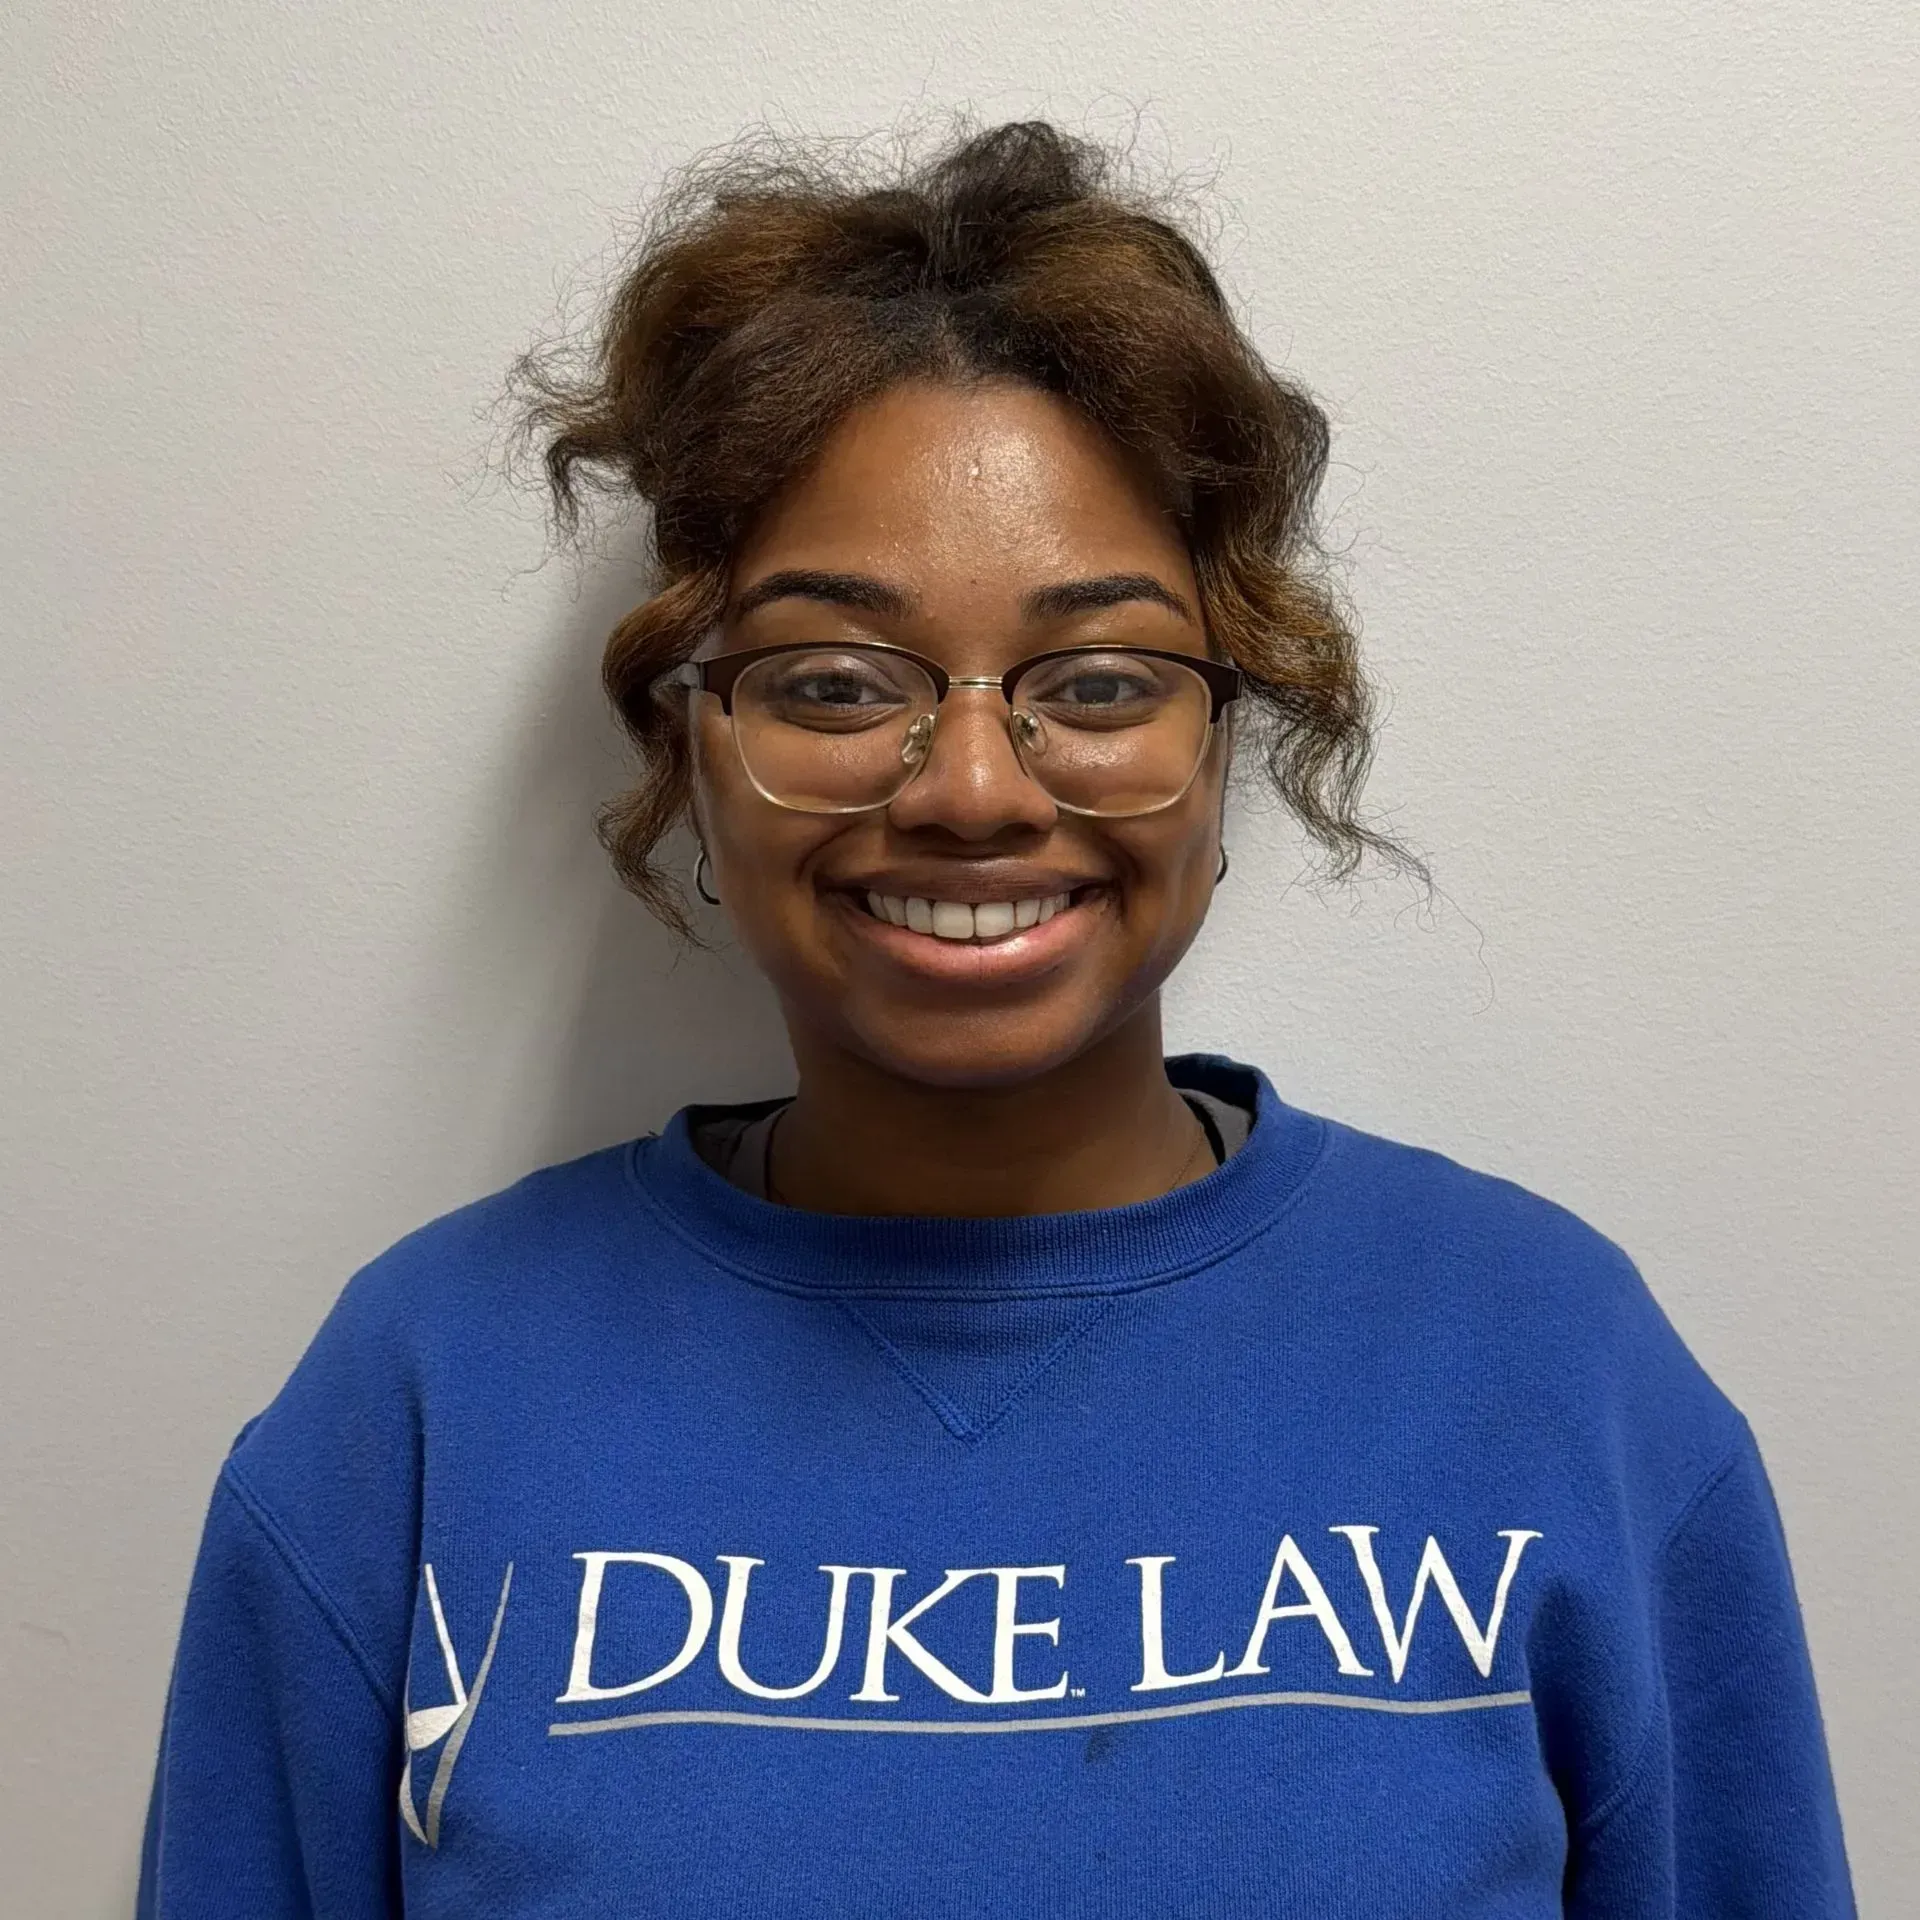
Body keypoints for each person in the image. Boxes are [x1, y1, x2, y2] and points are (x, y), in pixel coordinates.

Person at [137, 121, 1855, 1918]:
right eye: (830, 680)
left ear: (1226, 741)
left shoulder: (1545, 1363)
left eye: (1100, 680)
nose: (969, 785)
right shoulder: (419, 1396)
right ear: (688, 751)